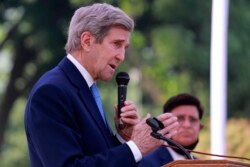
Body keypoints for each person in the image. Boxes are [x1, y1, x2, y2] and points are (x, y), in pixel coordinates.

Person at [24, 3, 179, 167]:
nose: (121, 56)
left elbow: (95, 156)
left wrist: (123, 139)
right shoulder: (51, 92)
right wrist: (137, 147)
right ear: (87, 41)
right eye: (116, 44)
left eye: (125, 48)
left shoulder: (85, 88)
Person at [139, 93, 204, 167]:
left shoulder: (203, 165)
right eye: (180, 118)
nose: (187, 125)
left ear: (200, 127)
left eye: (193, 119)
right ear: (165, 124)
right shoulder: (145, 162)